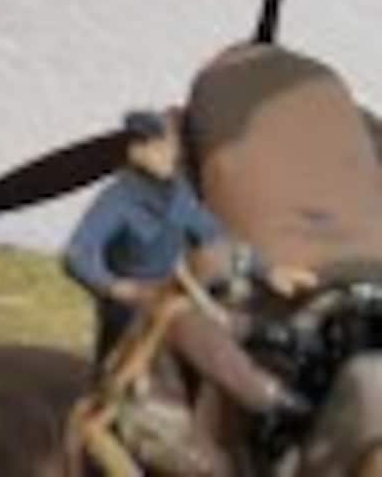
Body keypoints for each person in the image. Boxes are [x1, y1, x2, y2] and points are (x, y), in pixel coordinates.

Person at [63, 109, 316, 474]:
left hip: (175, 297)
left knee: (232, 318)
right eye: (159, 147)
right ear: (136, 152)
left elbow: (215, 237)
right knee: (189, 327)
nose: (170, 153)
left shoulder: (175, 194)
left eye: (170, 145)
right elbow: (77, 255)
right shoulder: (116, 201)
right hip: (135, 318)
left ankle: (287, 357)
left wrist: (269, 270)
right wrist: (117, 287)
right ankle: (271, 399)